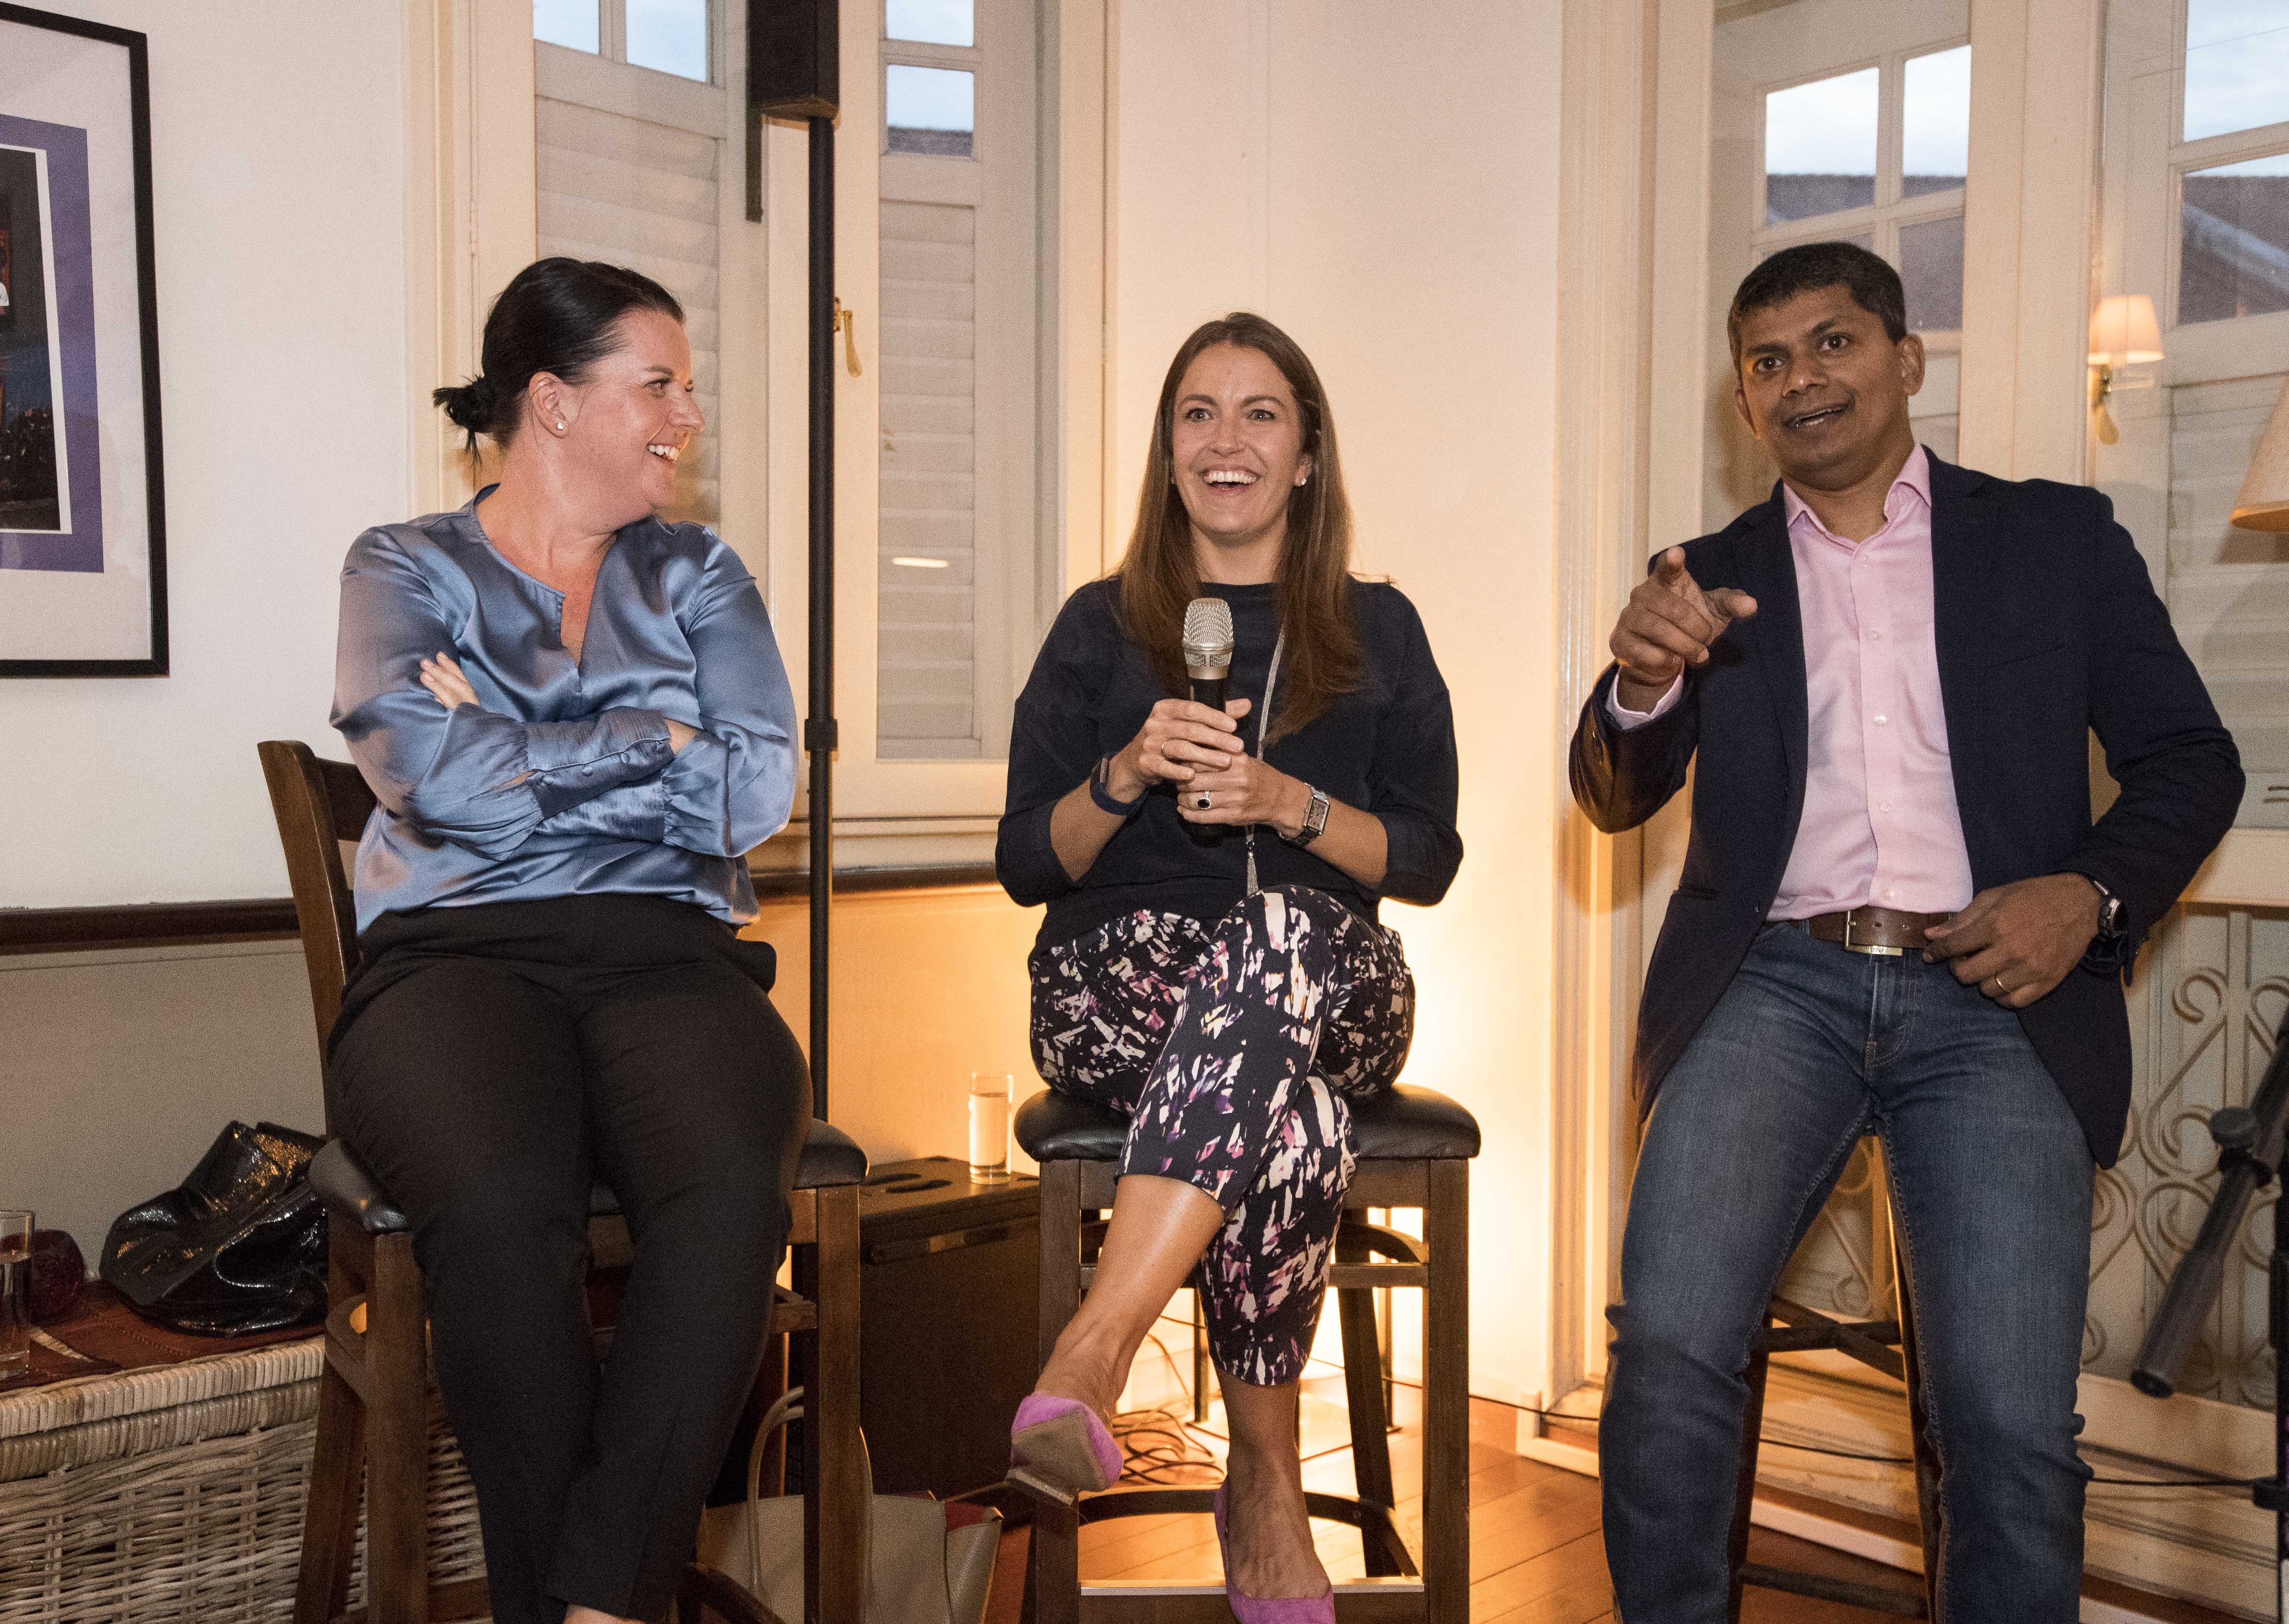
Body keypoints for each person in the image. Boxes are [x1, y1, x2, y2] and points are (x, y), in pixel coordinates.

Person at [1571, 241, 2243, 1620]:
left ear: (1905, 359)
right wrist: (1639, 685)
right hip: (1773, 986)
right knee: (1673, 1352)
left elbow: (2193, 759)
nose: (1801, 378)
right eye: (1768, 361)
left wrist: (2091, 896)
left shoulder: (2055, 540)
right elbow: (1610, 790)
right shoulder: (1704, 574)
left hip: (1993, 995)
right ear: (1745, 403)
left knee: (2005, 1420)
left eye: (1832, 343)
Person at [327, 257, 809, 1624]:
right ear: (552, 401)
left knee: (729, 1186)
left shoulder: (701, 572)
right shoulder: (404, 565)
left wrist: (517, 735)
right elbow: (432, 779)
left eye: (687, 388)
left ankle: (592, 1605)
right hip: (450, 959)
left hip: (667, 950)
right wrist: (655, 737)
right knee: (496, 1201)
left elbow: (759, 791)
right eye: (659, 383)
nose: (688, 414)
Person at [995, 312, 1462, 1623]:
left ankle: (1093, 1348)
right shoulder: (1102, 626)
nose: (1228, 440)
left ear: (1307, 451)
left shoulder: (1378, 627)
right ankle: (1266, 1485)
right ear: (1168, 447)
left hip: (1331, 975)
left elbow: (1426, 854)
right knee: (1294, 1113)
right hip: (1122, 983)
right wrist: (1125, 772)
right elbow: (1030, 857)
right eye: (1199, 412)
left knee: (1282, 939)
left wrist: (1285, 804)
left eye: (1261, 413)